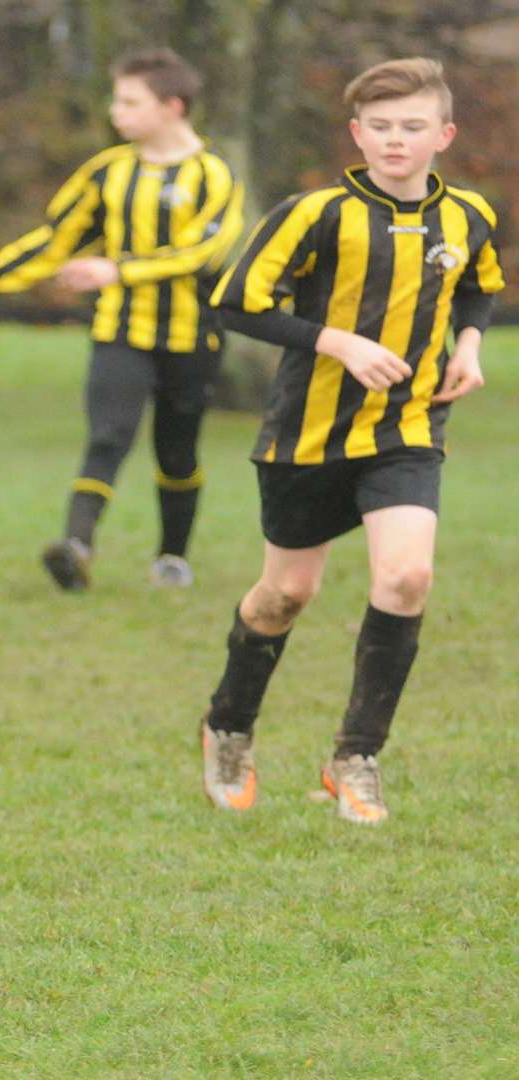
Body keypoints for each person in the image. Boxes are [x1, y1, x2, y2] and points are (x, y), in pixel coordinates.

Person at [196, 58, 500, 825]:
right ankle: (229, 725)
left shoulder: (468, 216)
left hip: (406, 430)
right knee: (285, 596)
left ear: (444, 135)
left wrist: (468, 347)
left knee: (406, 579)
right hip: (307, 435)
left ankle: (356, 758)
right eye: (383, 128)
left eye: (414, 126)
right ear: (358, 134)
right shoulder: (316, 213)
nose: (398, 140)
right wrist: (338, 342)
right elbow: (236, 301)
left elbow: (479, 285)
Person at [0, 48, 244, 591]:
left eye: (129, 100)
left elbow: (203, 252)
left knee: (177, 449)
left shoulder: (213, 174)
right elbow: (56, 240)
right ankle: (76, 546)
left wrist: (117, 268)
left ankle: (172, 556)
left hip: (193, 335)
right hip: (120, 330)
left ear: (173, 106)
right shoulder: (108, 171)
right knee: (108, 435)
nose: (115, 110)